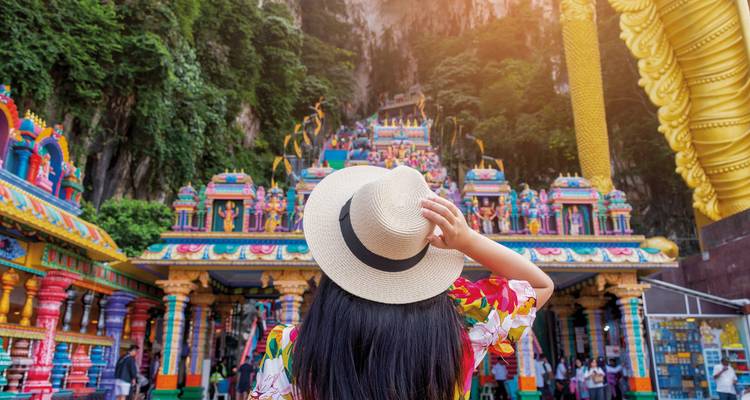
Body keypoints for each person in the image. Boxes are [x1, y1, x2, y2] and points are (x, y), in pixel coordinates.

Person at [250, 166, 554, 400]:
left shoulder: (290, 347)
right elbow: (540, 286)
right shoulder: (460, 333)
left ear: (337, 257)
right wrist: (468, 240)